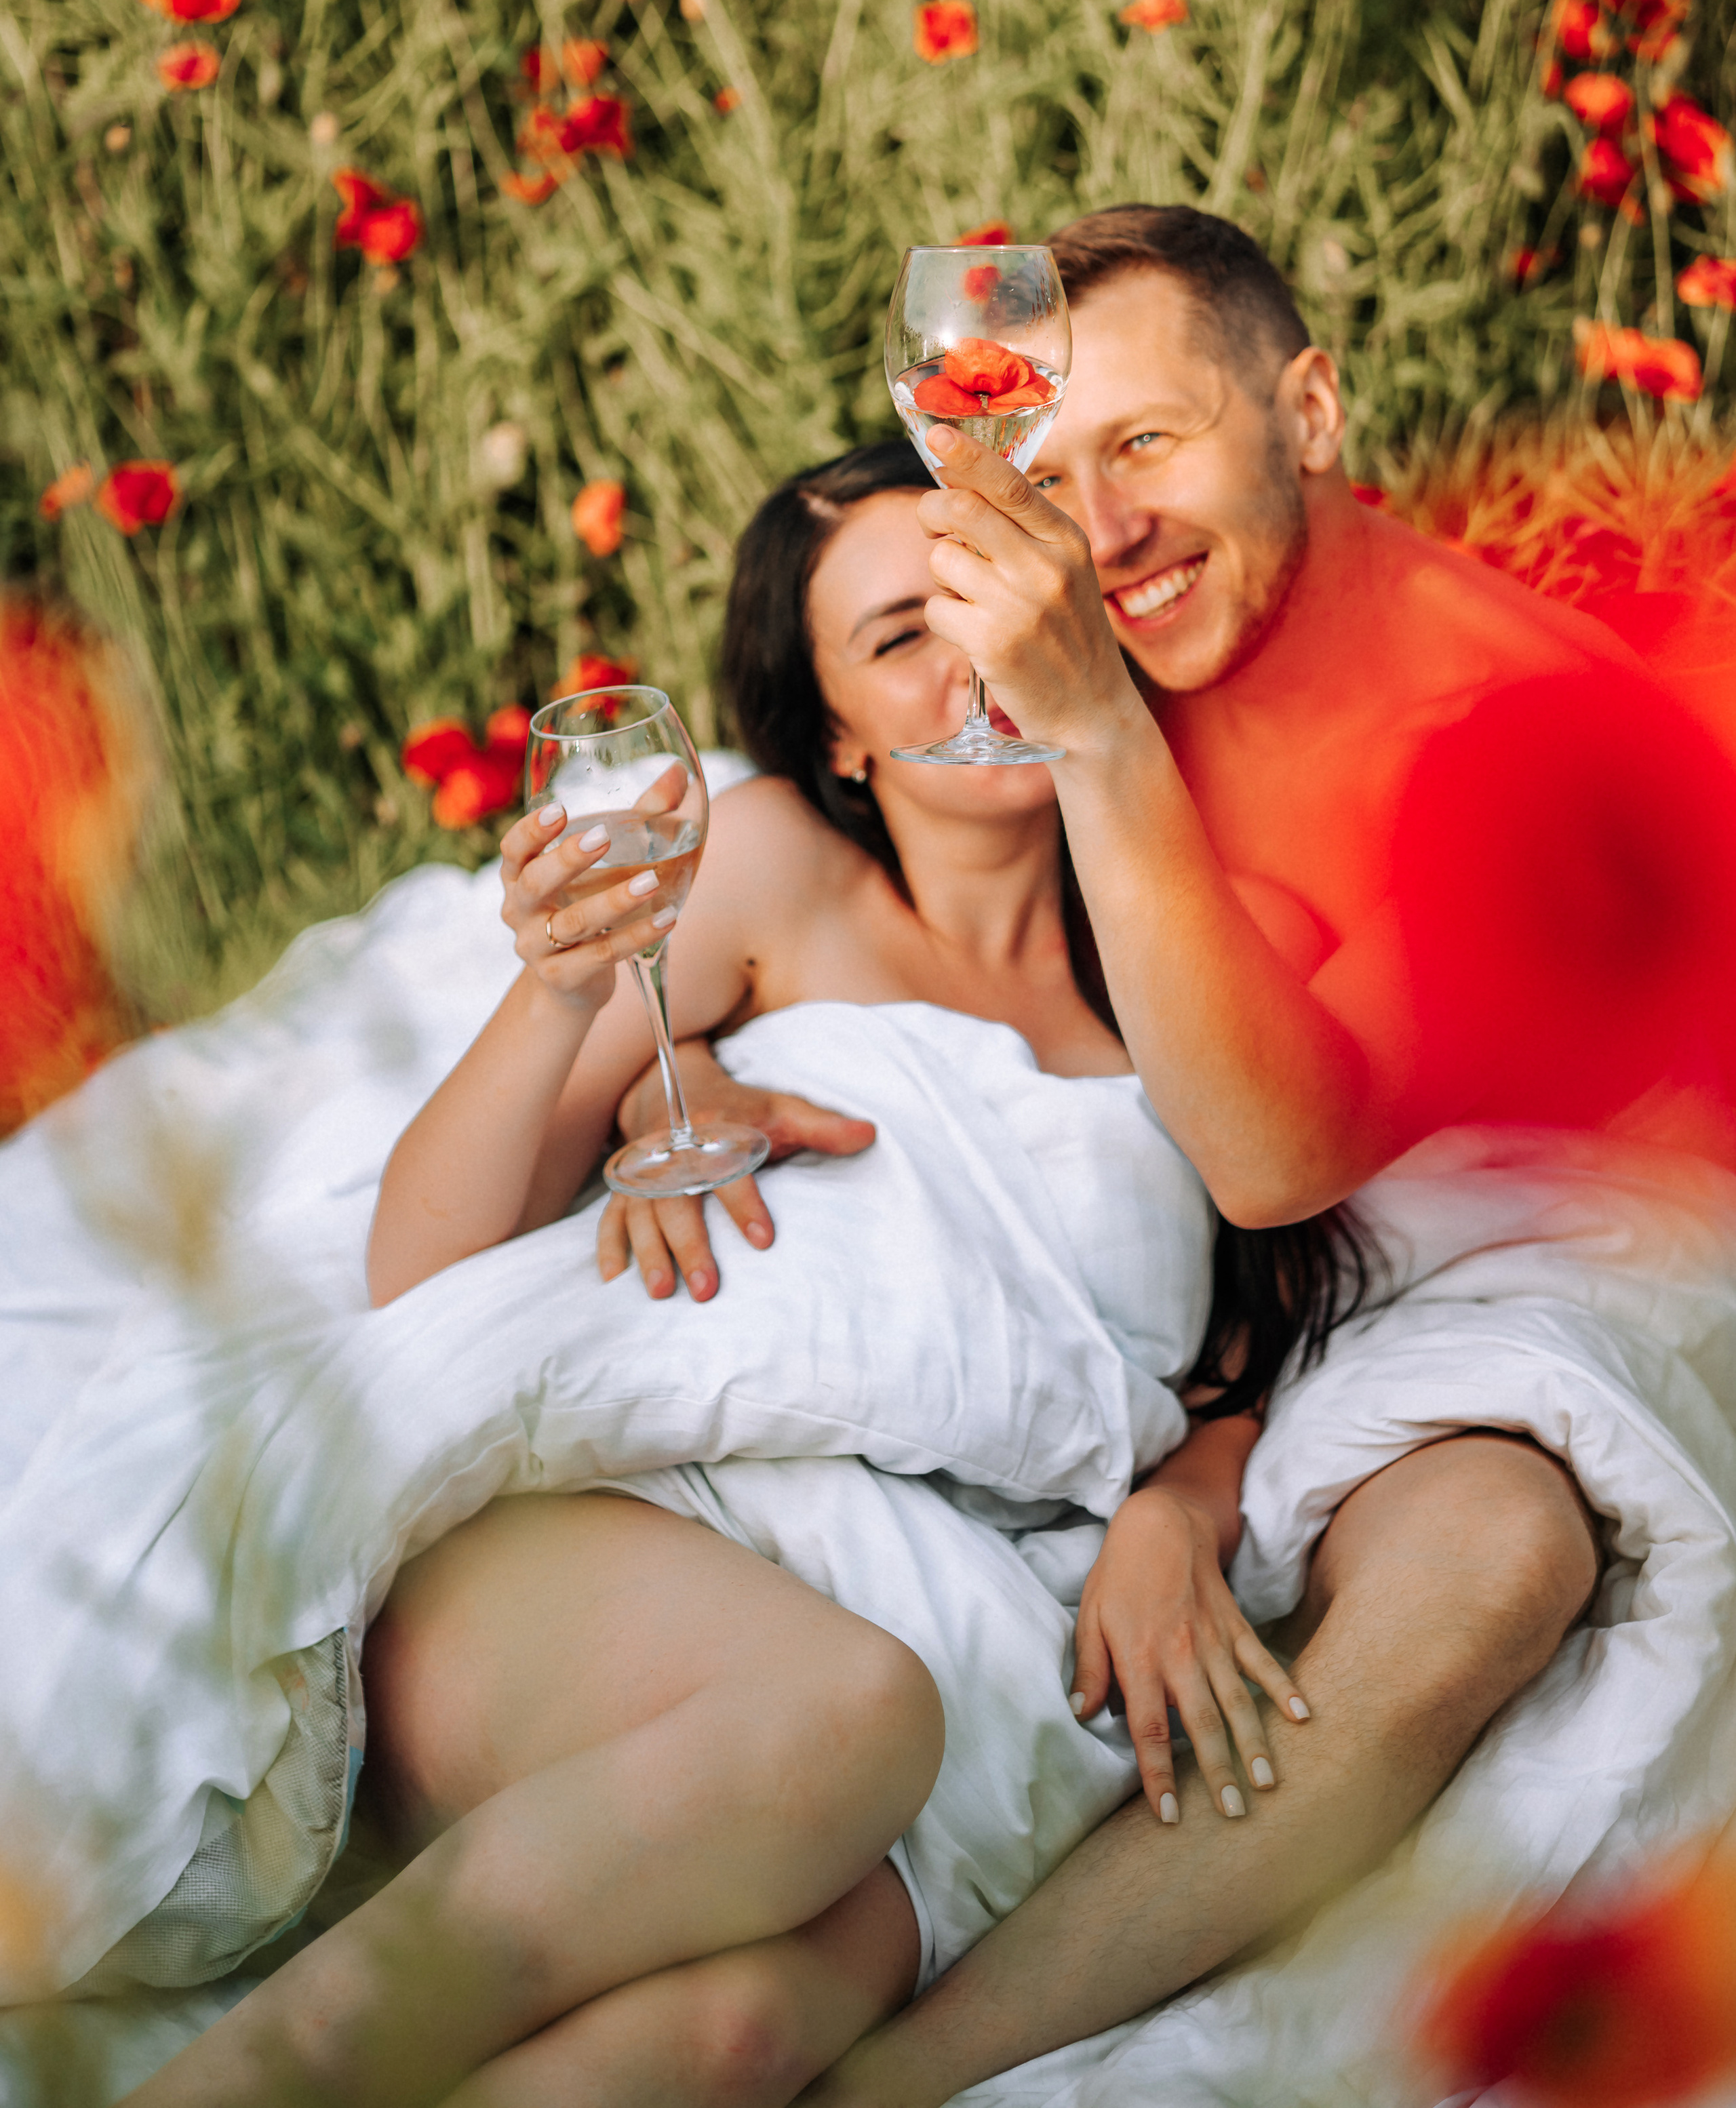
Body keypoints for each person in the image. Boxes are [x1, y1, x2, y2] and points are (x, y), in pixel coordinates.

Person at [620, 207, 1736, 2107]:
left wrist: (1197, 1481)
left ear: (1306, 412)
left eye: (1149, 442)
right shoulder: (1141, 640)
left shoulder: (1501, 735)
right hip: (1242, 1274)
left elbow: (1277, 1157)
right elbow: (895, 848)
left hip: (1536, 1244)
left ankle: (922, 2073)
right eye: (1053, 472)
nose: (1108, 527)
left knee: (1497, 1556)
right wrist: (683, 1066)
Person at [125, 439, 1344, 2108]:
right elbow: (421, 1261)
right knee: (846, 1714)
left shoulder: (1193, 934)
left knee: (744, 2033)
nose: (967, 660)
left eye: (976, 599)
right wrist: (577, 1010)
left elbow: (1255, 1330)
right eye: (898, 638)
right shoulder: (775, 870)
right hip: (636, 1513)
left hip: (954, 1580)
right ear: (836, 731)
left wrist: (1174, 1514)